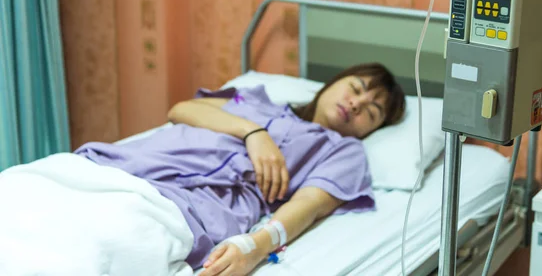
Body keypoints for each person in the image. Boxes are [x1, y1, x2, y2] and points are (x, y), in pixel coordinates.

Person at [12, 62, 405, 276]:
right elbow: (181, 109)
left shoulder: (343, 152)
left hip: (181, 206)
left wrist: (254, 247)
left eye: (371, 111)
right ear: (334, 82)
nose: (356, 104)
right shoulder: (256, 99)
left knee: (88, 248)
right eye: (356, 88)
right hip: (109, 168)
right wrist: (253, 132)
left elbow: (310, 205)